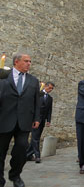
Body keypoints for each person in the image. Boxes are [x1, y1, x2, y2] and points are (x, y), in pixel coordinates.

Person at [0, 53, 40, 187]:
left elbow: (36, 102)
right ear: (16, 62)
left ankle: (15, 175)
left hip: (24, 121)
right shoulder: (4, 76)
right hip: (4, 119)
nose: (29, 63)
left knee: (22, 148)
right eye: (26, 61)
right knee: (1, 151)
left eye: (30, 61)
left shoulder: (33, 80)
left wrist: (36, 118)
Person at [27, 82, 55, 163]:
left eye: (52, 89)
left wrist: (48, 120)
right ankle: (37, 156)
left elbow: (49, 110)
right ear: (45, 86)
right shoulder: (38, 94)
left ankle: (27, 154)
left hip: (42, 120)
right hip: (35, 120)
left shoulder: (50, 98)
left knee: (36, 137)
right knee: (35, 138)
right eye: (49, 88)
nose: (50, 90)